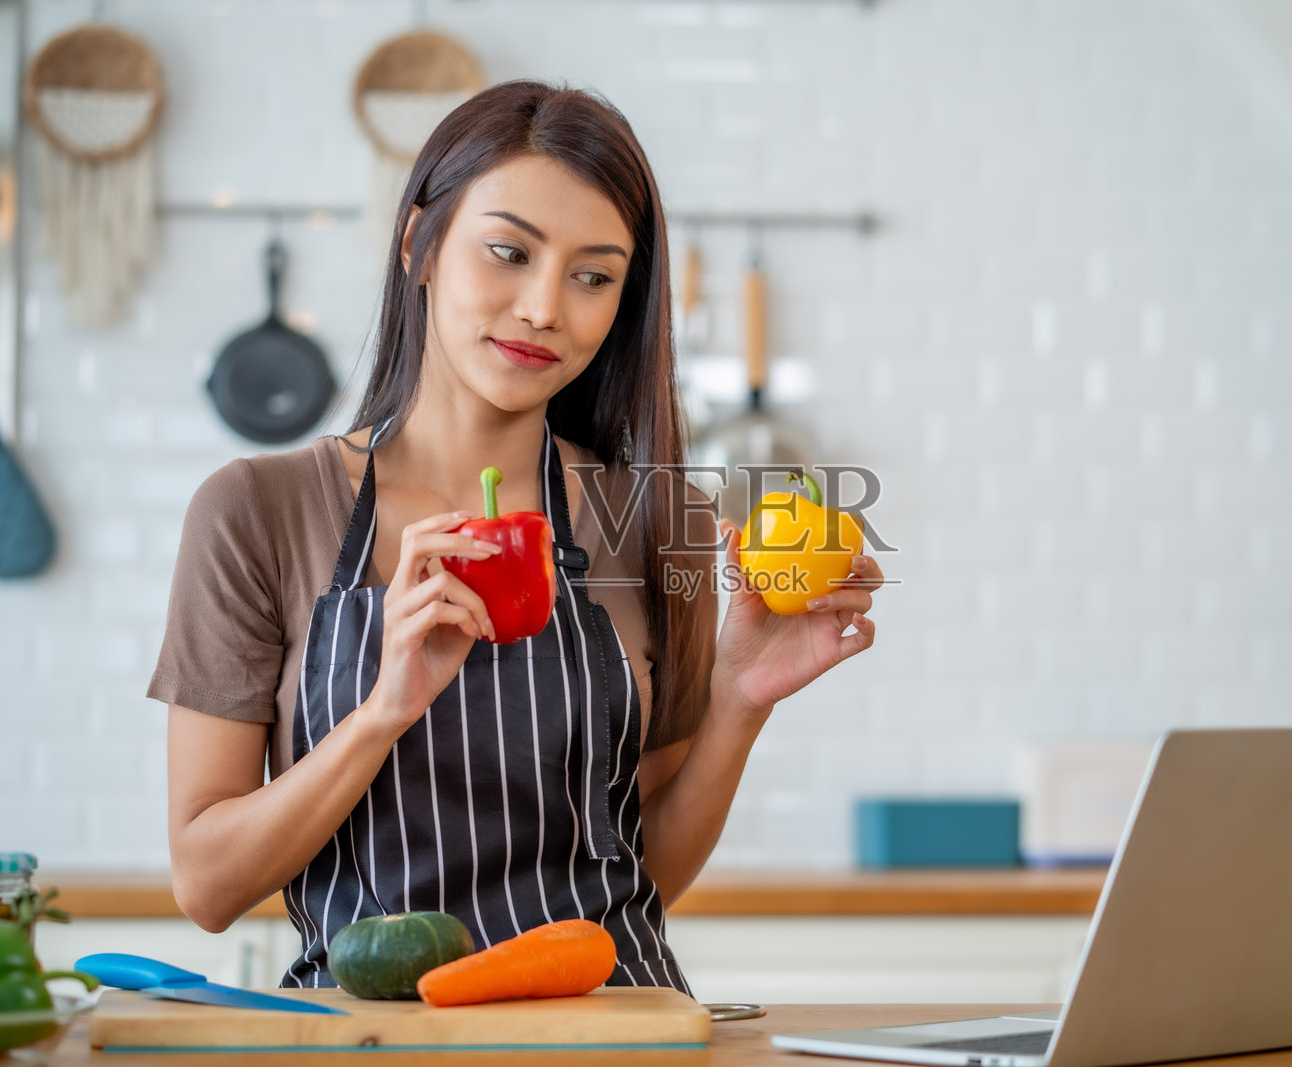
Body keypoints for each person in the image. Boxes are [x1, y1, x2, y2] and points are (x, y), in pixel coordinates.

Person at [150, 80, 882, 994]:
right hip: (373, 1043)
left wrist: (739, 699)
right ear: (419, 244)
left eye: (593, 275)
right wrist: (382, 713)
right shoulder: (257, 511)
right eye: (508, 252)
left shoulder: (667, 520)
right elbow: (208, 883)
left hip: (614, 1033)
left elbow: (642, 876)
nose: (545, 307)